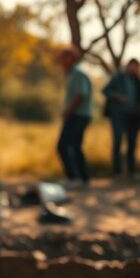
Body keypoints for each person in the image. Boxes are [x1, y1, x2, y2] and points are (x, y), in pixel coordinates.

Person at [103, 58, 140, 178]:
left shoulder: (138, 80)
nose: (134, 69)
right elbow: (106, 90)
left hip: (134, 115)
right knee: (118, 141)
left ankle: (132, 171)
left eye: (136, 67)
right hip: (119, 114)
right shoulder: (118, 77)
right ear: (128, 66)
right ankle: (117, 171)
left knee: (132, 143)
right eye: (132, 66)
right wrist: (118, 96)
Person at [57, 48, 93, 187]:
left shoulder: (78, 73)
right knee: (76, 147)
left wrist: (68, 110)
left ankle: (73, 177)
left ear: (71, 58)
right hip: (78, 115)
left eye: (63, 58)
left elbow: (81, 94)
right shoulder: (73, 73)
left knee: (63, 146)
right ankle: (83, 178)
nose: (60, 61)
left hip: (78, 115)